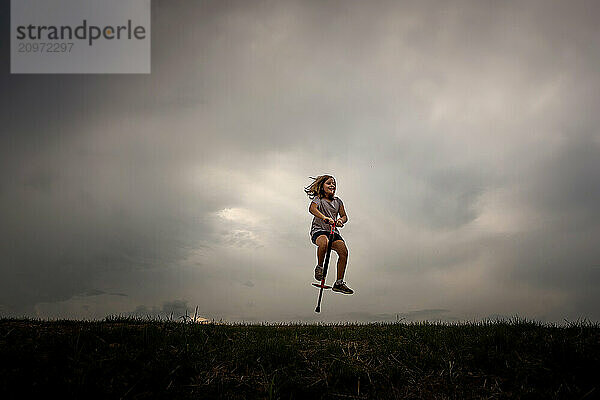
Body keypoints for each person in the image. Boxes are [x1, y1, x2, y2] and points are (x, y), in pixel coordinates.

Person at [304, 175, 353, 294]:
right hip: (319, 230)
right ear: (322, 186)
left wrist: (341, 220)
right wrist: (325, 218)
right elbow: (312, 209)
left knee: (343, 252)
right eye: (329, 183)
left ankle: (339, 283)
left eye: (334, 184)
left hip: (333, 231)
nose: (332, 185)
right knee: (324, 243)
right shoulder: (318, 199)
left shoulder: (338, 201)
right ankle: (320, 267)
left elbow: (344, 216)